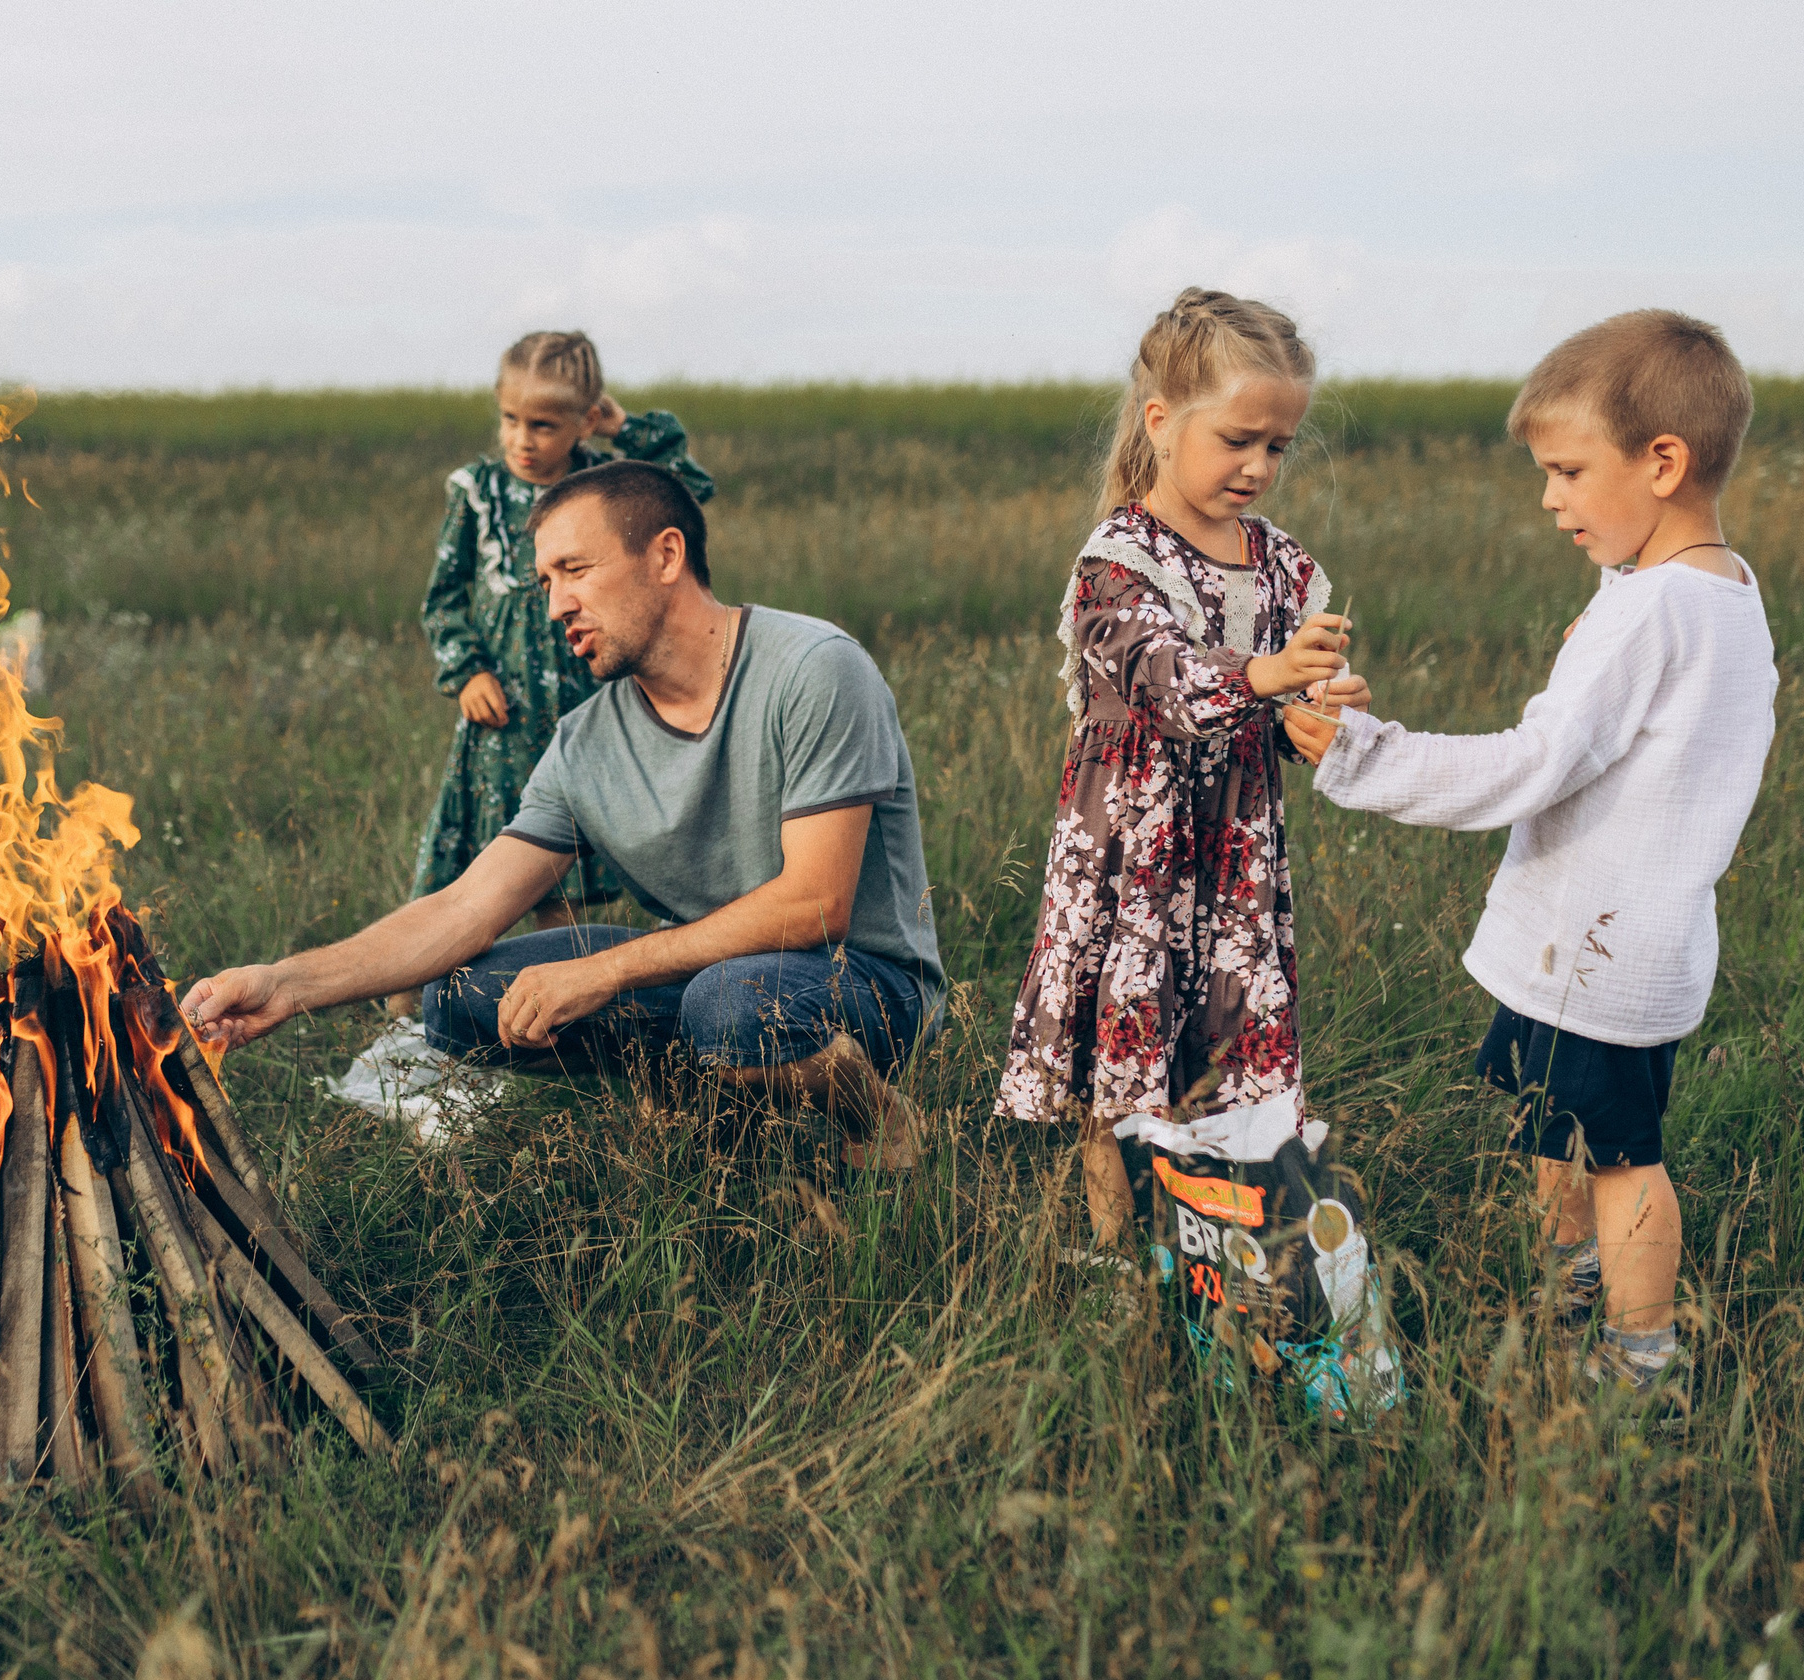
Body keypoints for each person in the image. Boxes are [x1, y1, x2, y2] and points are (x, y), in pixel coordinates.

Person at [191, 459, 942, 1167]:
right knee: (457, 998)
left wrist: (607, 971)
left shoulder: (814, 668)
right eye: (545, 581)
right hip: (710, 974)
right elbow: (465, 909)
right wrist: (285, 985)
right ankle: (703, 1091)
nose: (555, 606)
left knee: (731, 1004)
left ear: (666, 555)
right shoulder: (586, 741)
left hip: (860, 982)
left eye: (576, 571)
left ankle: (878, 1117)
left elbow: (817, 906)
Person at [1290, 310, 1777, 1392]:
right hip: (1619, 943)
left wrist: (1364, 755)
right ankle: (1563, 1308)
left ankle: (1635, 1360)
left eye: (1565, 470)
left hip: (1596, 952)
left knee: (1621, 1164)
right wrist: (1603, 614)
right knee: (1557, 1140)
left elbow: (1534, 764)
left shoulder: (1650, 614)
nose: (1549, 499)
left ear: (1661, 462)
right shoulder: (1719, 591)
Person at [993, 289, 1366, 1245]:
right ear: (1161, 422)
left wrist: (1310, 717)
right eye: (1238, 438)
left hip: (1234, 852)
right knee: (1122, 1054)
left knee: (1226, 1045)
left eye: (1278, 446)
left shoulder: (1283, 567)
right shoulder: (1118, 558)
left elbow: (1276, 710)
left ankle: (1218, 1245)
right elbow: (1162, 683)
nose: (1259, 466)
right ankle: (1121, 1248)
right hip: (1135, 851)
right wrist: (1267, 674)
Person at [340, 333, 712, 1132]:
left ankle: (564, 1040)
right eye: (510, 419)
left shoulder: (601, 491)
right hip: (497, 730)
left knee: (565, 899)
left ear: (582, 422)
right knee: (463, 881)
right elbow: (442, 597)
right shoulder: (475, 491)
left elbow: (688, 485)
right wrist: (465, 669)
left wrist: (624, 432)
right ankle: (406, 1033)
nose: (522, 440)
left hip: (580, 727)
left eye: (545, 425)